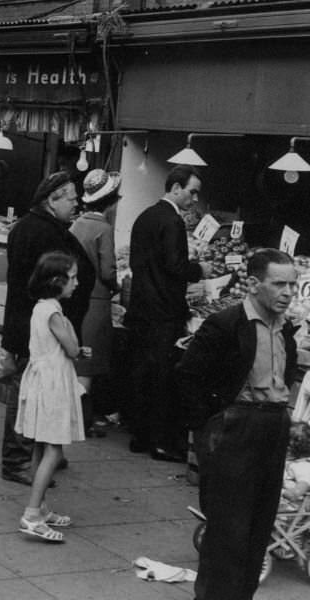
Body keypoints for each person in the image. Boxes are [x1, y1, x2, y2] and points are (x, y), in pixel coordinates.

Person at [174, 248, 300, 600]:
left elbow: (285, 374)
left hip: (273, 428)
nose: (288, 292)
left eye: (292, 284)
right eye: (279, 284)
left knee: (258, 531)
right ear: (254, 284)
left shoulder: (285, 327)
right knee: (227, 534)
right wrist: (211, 424)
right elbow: (187, 376)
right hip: (234, 428)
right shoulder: (226, 324)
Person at [0, 172, 94, 486]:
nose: (76, 202)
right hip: (36, 329)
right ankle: (18, 460)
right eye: (70, 197)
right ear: (51, 200)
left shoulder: (36, 227)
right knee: (26, 394)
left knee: (33, 392)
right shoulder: (43, 232)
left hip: (29, 324)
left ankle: (39, 455)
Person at [125, 164, 207, 462]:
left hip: (141, 307)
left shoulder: (145, 216)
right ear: (175, 188)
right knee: (162, 378)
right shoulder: (172, 221)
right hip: (163, 312)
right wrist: (199, 269)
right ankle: (160, 442)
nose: (194, 199)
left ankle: (139, 436)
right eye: (192, 192)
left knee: (141, 374)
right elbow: (175, 267)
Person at [16, 251, 89, 543]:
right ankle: (32, 514)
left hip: (41, 379)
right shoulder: (54, 313)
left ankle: (41, 507)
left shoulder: (41, 308)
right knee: (55, 450)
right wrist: (76, 345)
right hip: (53, 384)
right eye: (72, 278)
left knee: (40, 446)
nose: (77, 283)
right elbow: (71, 349)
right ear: (57, 281)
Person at [69, 169, 122, 437]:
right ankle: (78, 420)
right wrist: (118, 286)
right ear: (110, 201)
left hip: (76, 296)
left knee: (77, 359)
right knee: (88, 363)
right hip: (97, 300)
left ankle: (77, 416)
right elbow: (108, 271)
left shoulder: (77, 224)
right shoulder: (104, 228)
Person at [280, 421, 310, 513]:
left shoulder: (304, 466)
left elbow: (303, 485)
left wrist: (295, 492)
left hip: (290, 506)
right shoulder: (288, 461)